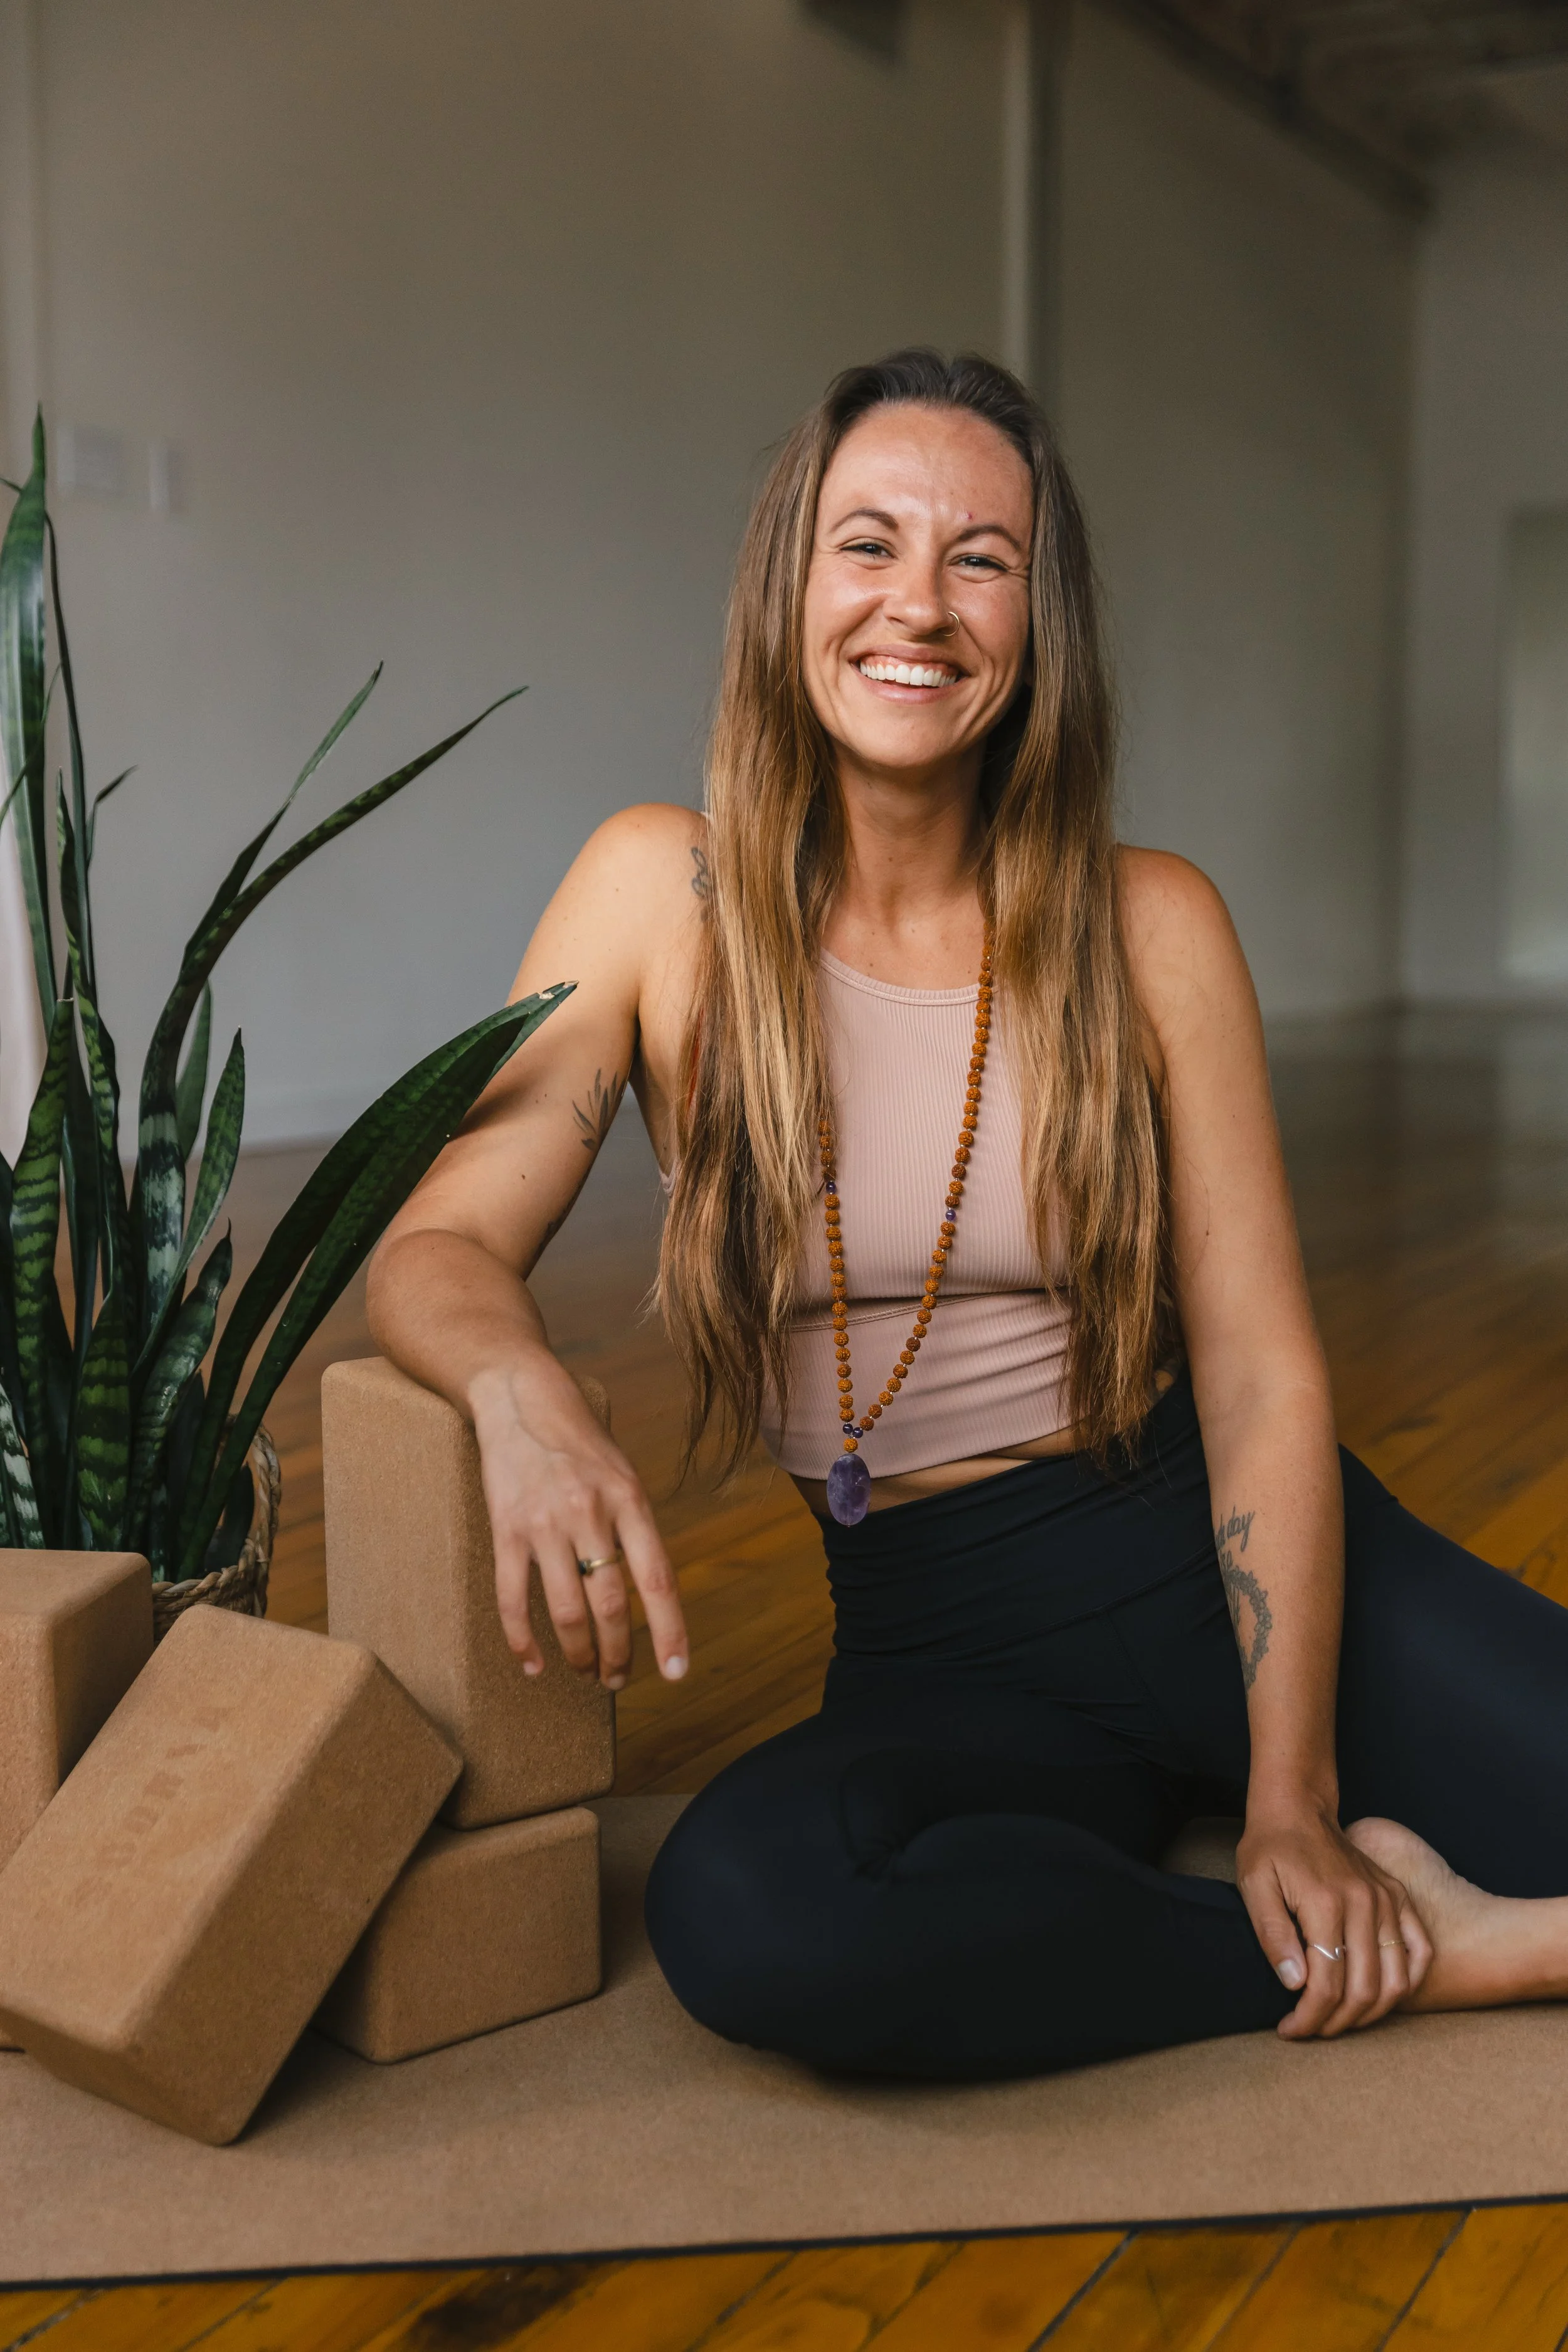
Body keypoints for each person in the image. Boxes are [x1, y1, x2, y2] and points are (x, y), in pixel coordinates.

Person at [369, 349, 1568, 2082]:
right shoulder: (659, 892)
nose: (915, 605)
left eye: (978, 558)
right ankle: (1448, 1955)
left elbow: (1257, 1376)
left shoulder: (1147, 921)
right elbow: (433, 1246)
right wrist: (518, 1396)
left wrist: (1292, 1793)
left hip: (1205, 1551)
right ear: (791, 583)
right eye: (868, 544)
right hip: (941, 1637)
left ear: (1035, 621)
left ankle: (1308, 1878)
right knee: (755, 1909)